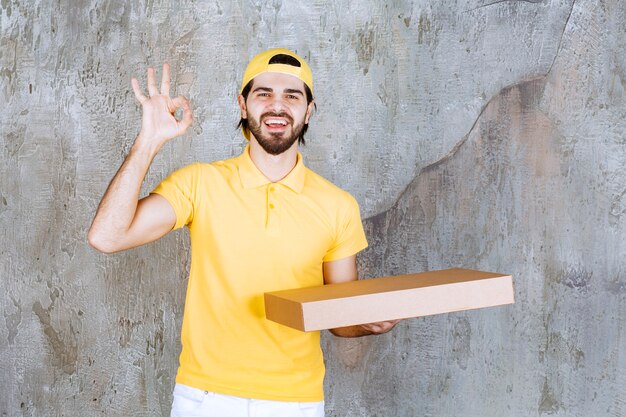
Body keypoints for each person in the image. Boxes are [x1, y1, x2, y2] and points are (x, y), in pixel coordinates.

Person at [88, 48, 398, 417]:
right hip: (203, 398)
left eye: (292, 96)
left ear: (309, 111)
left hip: (295, 402)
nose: (277, 106)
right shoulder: (200, 183)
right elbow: (106, 237)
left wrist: (367, 323)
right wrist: (150, 140)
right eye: (263, 93)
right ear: (242, 105)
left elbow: (337, 316)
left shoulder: (338, 205)